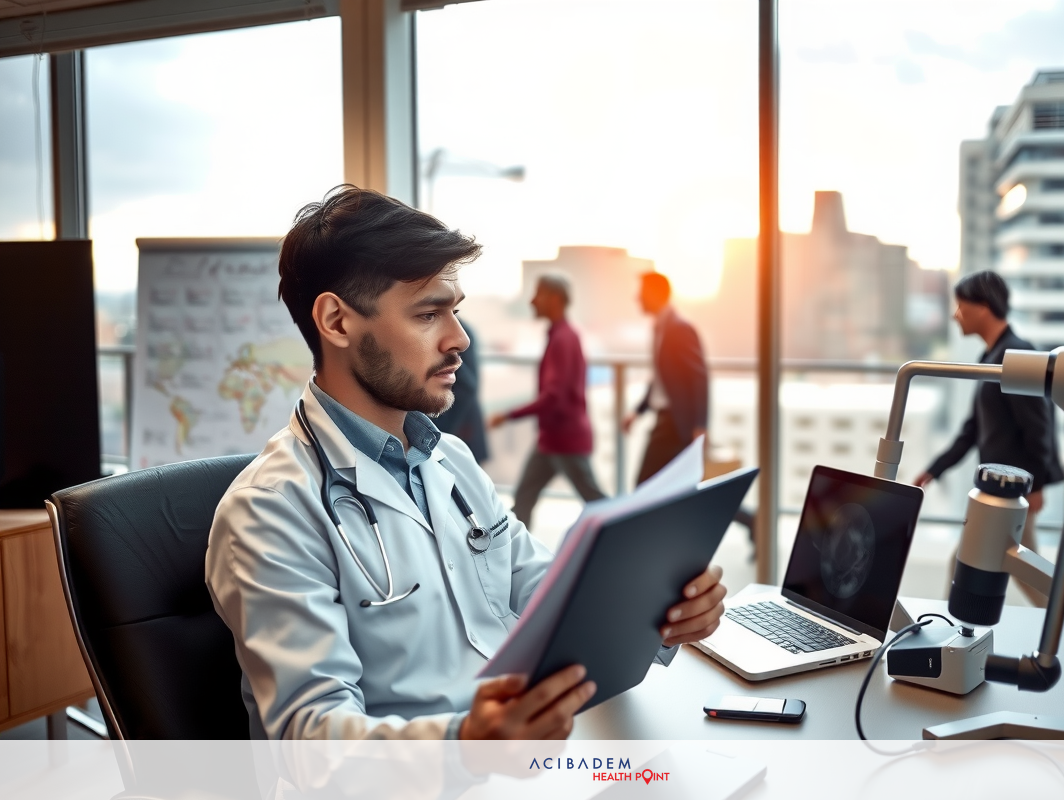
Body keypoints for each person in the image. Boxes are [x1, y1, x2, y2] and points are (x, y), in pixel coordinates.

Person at [205, 186, 728, 741]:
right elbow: (310, 735)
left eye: (455, 311)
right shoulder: (268, 512)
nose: (459, 339)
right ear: (336, 321)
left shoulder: (449, 460)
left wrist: (659, 616)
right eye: (429, 314)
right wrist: (468, 744)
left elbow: (544, 594)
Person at [915, 270, 1064, 602]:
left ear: (982, 306)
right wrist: (934, 470)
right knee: (1016, 570)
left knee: (988, 568)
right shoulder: (993, 356)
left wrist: (1035, 484)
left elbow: (1039, 424)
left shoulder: (1018, 355)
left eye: (960, 306)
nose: (955, 315)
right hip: (1001, 488)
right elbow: (972, 429)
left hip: (1013, 488)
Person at [488, 275, 606, 526]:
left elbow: (553, 397)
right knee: (524, 497)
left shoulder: (564, 339)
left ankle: (624, 543)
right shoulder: (562, 335)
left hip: (564, 439)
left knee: (595, 501)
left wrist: (508, 415)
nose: (532, 300)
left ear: (554, 299)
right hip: (552, 439)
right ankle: (518, 562)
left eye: (537, 293)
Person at [622, 272, 709, 485]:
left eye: (641, 292)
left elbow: (699, 378)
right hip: (667, 421)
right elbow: (661, 380)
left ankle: (754, 519)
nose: (637, 298)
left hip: (676, 425)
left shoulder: (679, 328)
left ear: (655, 294)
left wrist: (700, 426)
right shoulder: (661, 327)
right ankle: (752, 519)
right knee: (679, 489)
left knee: (645, 485)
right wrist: (637, 411)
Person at [432, 317, 489, 463]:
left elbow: (467, 386)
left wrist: (439, 431)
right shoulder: (458, 327)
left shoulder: (452, 330)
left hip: (458, 427)